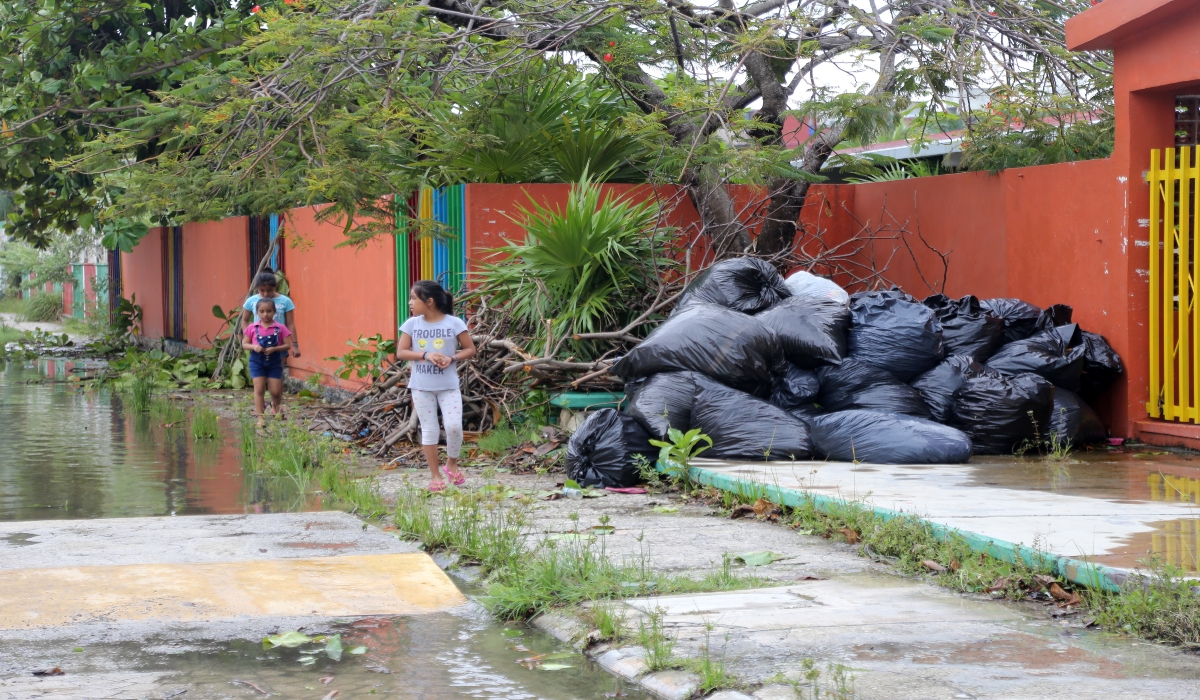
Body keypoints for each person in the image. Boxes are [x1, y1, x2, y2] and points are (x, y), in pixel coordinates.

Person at [397, 280, 476, 491]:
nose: (410, 302)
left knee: (453, 427)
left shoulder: (454, 323)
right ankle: (435, 476)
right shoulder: (412, 325)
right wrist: (425, 354)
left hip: (448, 386)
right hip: (421, 386)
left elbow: (470, 349)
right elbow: (401, 352)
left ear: (429, 301)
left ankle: (452, 464)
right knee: (430, 430)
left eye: (414, 298)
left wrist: (451, 358)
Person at [242, 298, 293, 426]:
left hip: (274, 363)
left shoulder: (280, 328)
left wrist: (275, 348)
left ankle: (275, 406)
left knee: (275, 391)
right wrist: (254, 347)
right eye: (262, 311)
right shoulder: (252, 327)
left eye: (269, 311)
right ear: (257, 313)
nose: (266, 314)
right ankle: (260, 418)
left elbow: (287, 345)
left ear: (274, 312)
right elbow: (244, 344)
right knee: (259, 390)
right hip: (257, 362)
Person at [240, 268, 301, 359]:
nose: (265, 294)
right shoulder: (251, 301)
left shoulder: (285, 301)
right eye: (262, 290)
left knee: (277, 372)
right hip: (259, 347)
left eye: (269, 290)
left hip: (279, 346)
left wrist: (295, 345)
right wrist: (250, 338)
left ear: (275, 287)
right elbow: (245, 320)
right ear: (257, 288)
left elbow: (290, 324)